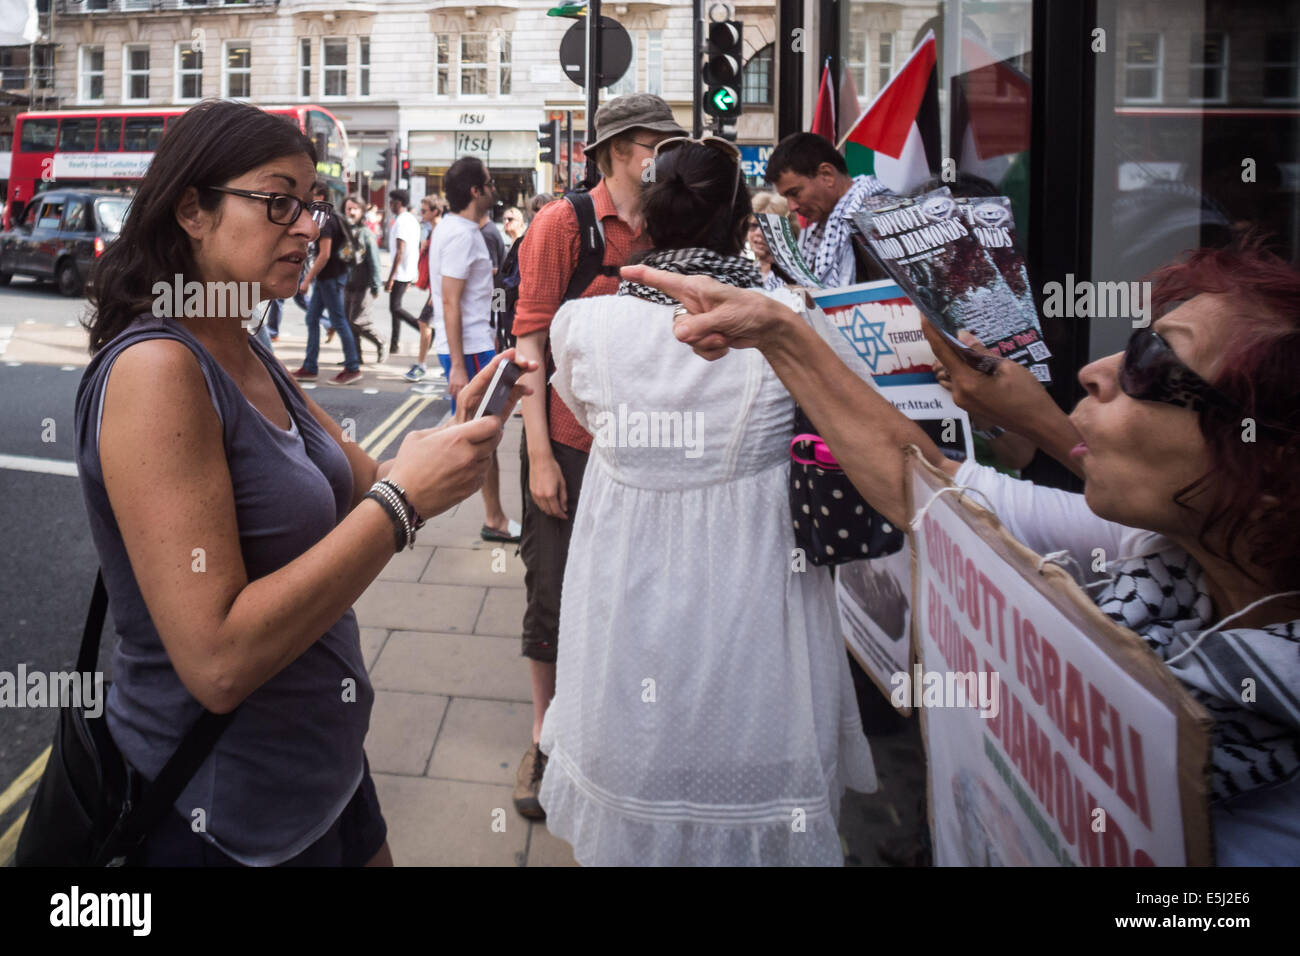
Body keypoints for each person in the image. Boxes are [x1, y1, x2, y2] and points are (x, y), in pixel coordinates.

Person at [624, 235, 1300, 866]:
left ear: (1273, 469)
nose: (1097, 371)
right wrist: (779, 331)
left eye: (1154, 367)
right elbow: (925, 486)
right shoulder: (1161, 556)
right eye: (1132, 344)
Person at [75, 98, 535, 867]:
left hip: (328, 778)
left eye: (312, 204)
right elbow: (217, 660)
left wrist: (453, 435)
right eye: (278, 201)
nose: (307, 226)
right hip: (224, 822)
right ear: (193, 210)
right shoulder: (156, 370)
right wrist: (405, 502)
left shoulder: (246, 350)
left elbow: (369, 483)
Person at [537, 139, 877, 866]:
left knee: (634, 763)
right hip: (754, 596)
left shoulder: (584, 327)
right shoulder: (790, 322)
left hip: (626, 592)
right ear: (738, 219)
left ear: (649, 218)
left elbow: (584, 412)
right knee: (752, 764)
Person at [510, 93, 687, 820]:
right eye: (657, 145)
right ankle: (545, 739)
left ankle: (611, 731)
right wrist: (539, 458)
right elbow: (529, 344)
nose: (666, 157)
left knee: (628, 602)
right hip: (572, 448)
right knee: (552, 594)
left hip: (642, 452)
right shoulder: (562, 224)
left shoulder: (673, 224)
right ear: (619, 151)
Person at [417, 157, 520, 544]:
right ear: (476, 190)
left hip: (474, 344)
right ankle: (490, 518)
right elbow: (449, 302)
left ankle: (403, 490)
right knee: (479, 435)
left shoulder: (456, 229)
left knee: (475, 433)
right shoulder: (461, 234)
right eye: (489, 183)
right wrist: (459, 366)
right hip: (470, 349)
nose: (494, 189)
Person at [764, 131, 890, 287]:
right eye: (786, 198)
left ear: (827, 174)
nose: (792, 206)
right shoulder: (822, 229)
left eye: (795, 193)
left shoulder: (873, 217)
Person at [293, 181, 362, 386]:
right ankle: (310, 366)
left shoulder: (325, 222)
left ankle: (352, 367)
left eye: (310, 195)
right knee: (312, 318)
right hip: (328, 278)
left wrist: (306, 279)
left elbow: (324, 255)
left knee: (339, 321)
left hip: (330, 278)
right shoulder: (328, 218)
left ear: (320, 197)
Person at [342, 194, 386, 364]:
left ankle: (380, 341)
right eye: (348, 208)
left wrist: (376, 285)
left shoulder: (366, 233)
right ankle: (355, 357)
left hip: (364, 285)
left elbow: (375, 261)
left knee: (359, 321)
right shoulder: (345, 230)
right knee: (348, 323)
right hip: (348, 283)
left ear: (361, 211)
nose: (351, 212)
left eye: (354, 209)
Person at [384, 188, 422, 356]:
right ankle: (394, 344)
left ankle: (422, 327)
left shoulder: (401, 221)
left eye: (391, 202)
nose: (389, 205)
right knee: (394, 308)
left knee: (395, 307)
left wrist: (391, 277)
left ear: (398, 203)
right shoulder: (411, 220)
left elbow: (400, 250)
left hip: (401, 272)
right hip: (408, 270)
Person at [747, 190, 797, 291]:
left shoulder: (797, 276)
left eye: (767, 227)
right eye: (753, 226)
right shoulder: (744, 272)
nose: (758, 233)